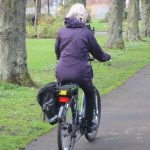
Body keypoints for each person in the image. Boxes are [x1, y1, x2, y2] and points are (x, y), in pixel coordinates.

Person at [55, 3, 111, 132]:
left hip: (61, 71)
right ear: (83, 16)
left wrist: (60, 58)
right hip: (80, 72)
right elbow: (97, 53)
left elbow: (57, 50)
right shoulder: (86, 33)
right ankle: (88, 123)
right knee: (89, 92)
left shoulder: (61, 31)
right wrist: (105, 57)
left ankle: (64, 113)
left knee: (65, 92)